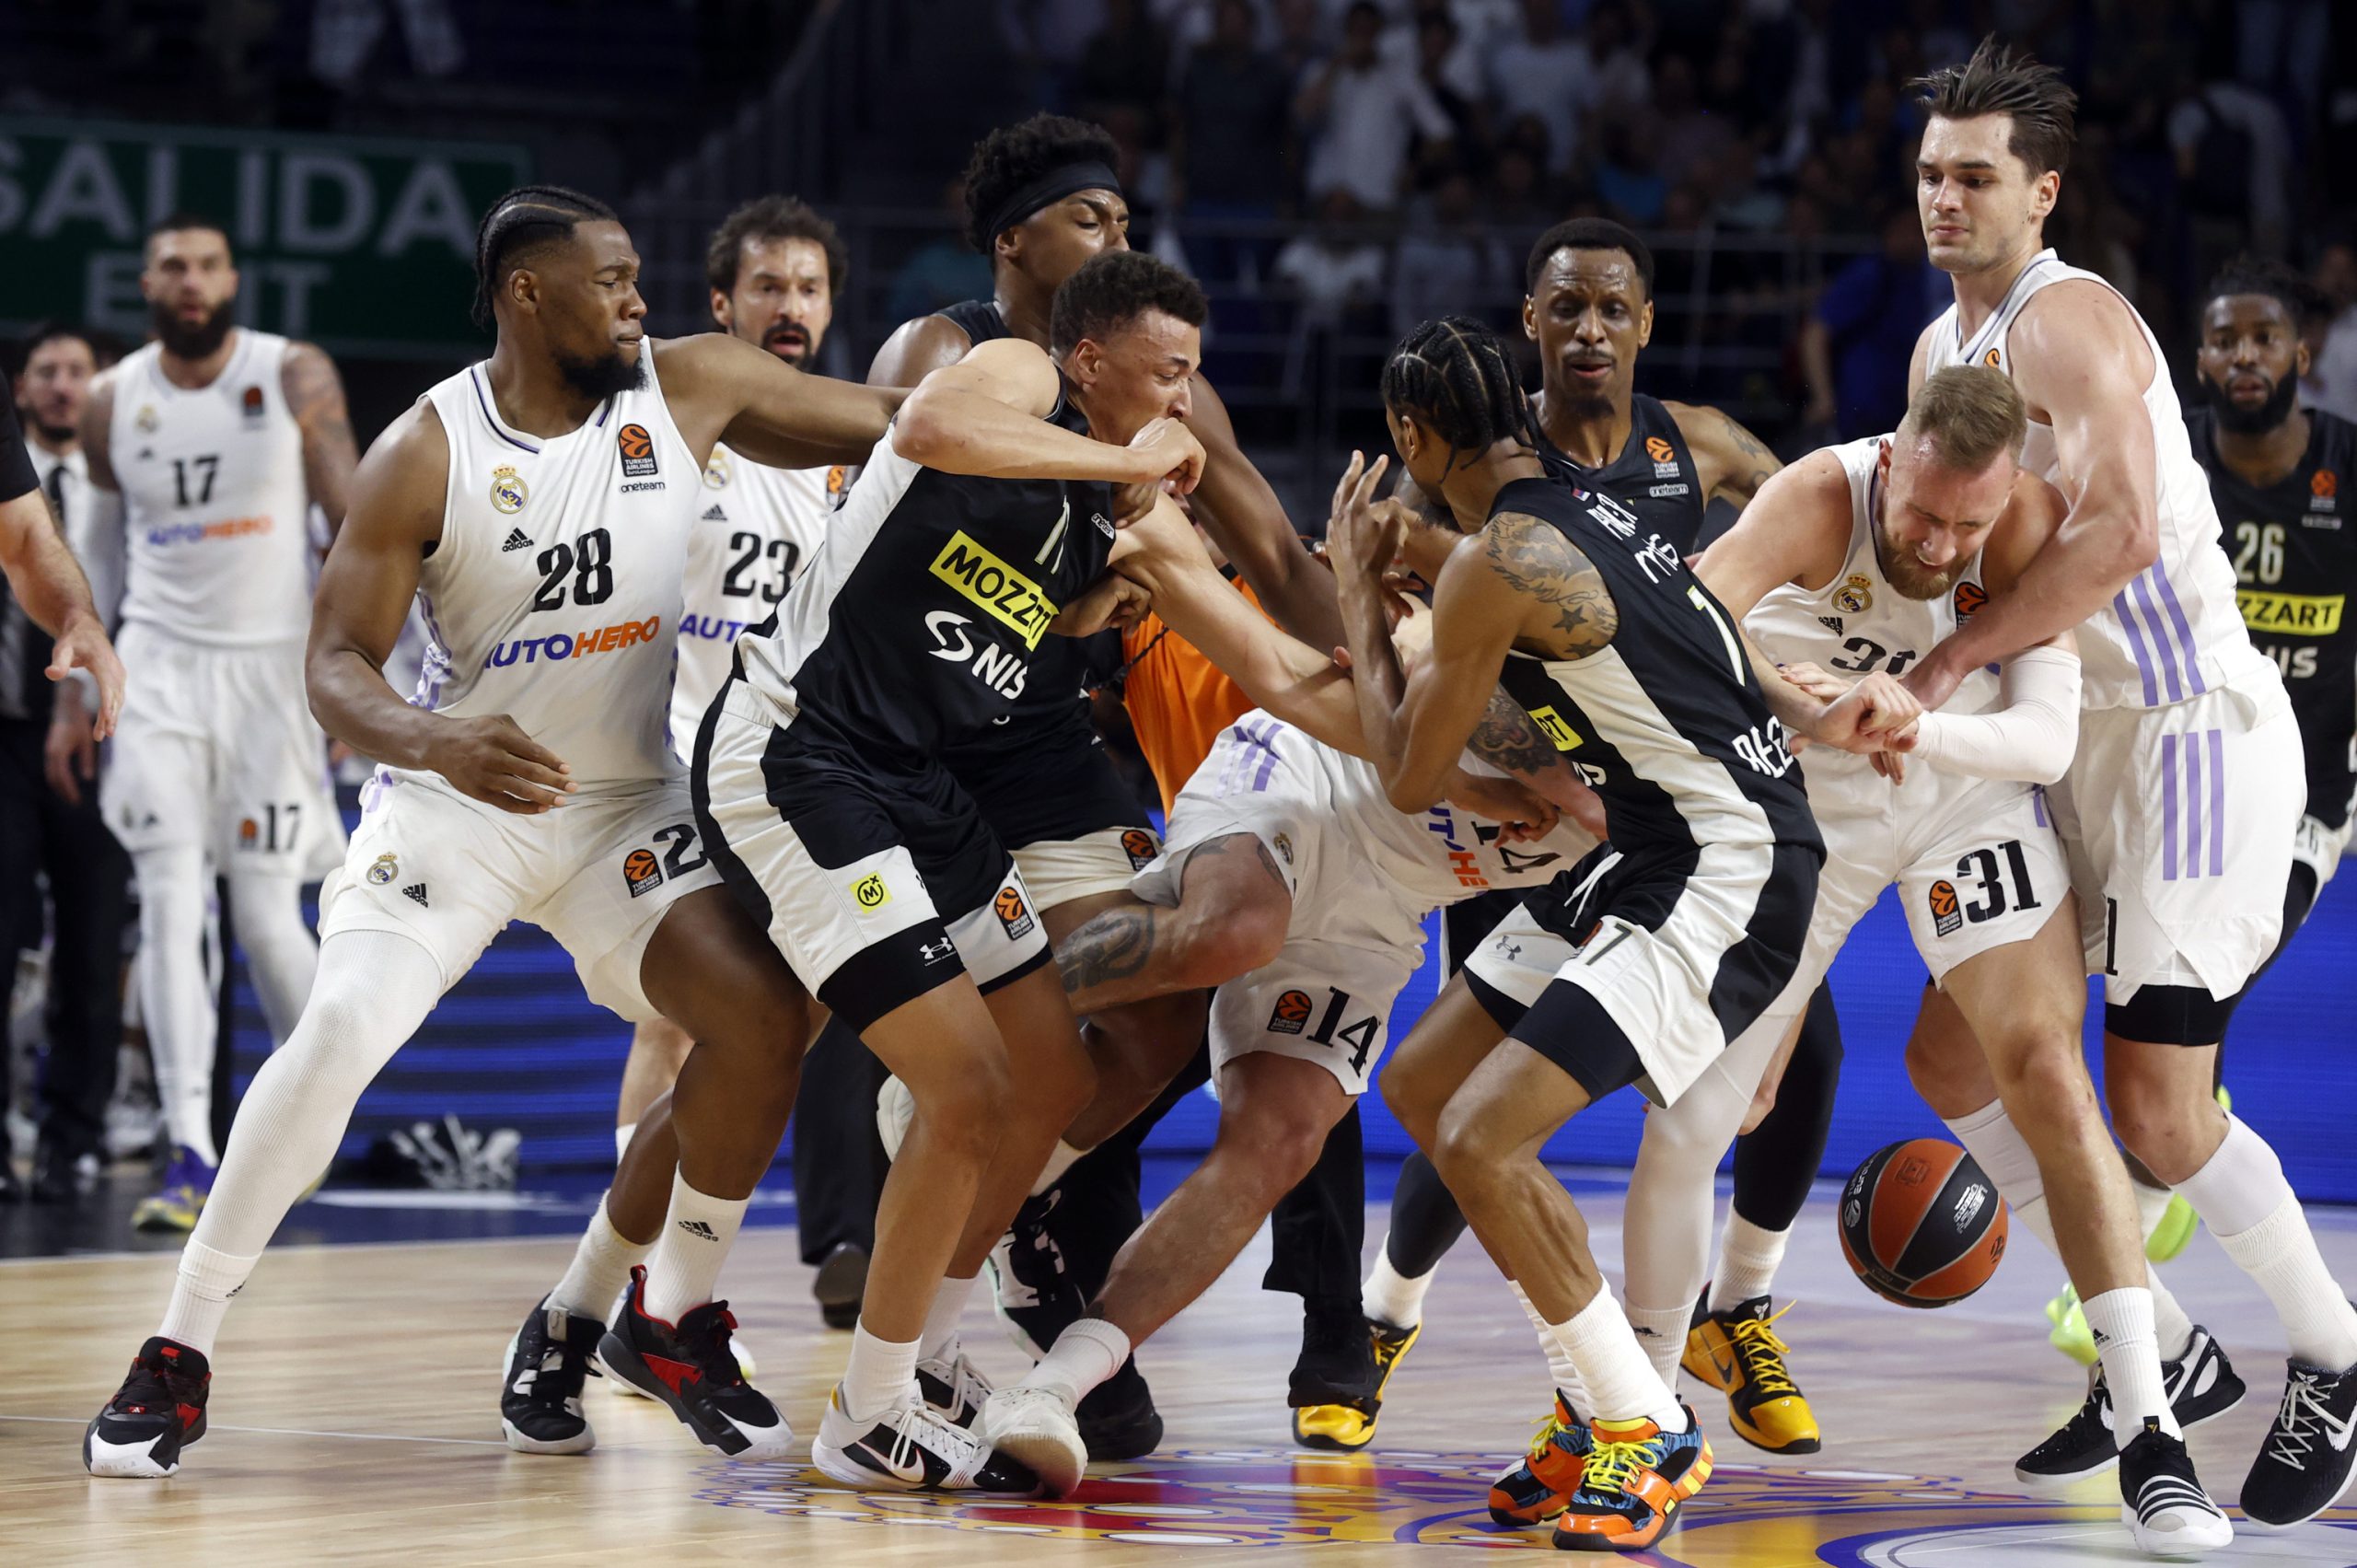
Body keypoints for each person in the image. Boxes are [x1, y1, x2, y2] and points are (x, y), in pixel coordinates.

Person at [82, 184, 902, 1481]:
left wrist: (1045, 403)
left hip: (624, 804)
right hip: (459, 798)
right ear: (532, 293)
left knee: (764, 1011)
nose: (640, 298)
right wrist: (430, 735)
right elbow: (335, 662)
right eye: (615, 278)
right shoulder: (428, 445)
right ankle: (178, 1344)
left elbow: (893, 421)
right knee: (342, 1028)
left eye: (641, 277)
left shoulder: (683, 387)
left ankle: (662, 1311)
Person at [1329, 319, 1888, 1551]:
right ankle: (1594, 1407)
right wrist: (1407, 553)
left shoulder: (1493, 565)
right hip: (1658, 840)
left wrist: (1353, 597)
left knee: (1484, 1131)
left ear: (1410, 438)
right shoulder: (1586, 501)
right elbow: (1496, 569)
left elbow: (1408, 772)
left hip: (1722, 861)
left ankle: (1645, 1420)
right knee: (1426, 1086)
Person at [1898, 39, 2357, 1535]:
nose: (1945, 198)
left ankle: (2338, 1355)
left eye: (1975, 176)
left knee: (2160, 1107)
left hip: (2187, 731)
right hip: (2060, 731)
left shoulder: (2071, 321)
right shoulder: (1934, 354)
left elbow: (2120, 539)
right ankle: (2160, 1338)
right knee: (1955, 1059)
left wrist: (1946, 659)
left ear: (2041, 193)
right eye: (1928, 174)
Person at [1666, 366, 2233, 1552]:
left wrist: (1913, 718)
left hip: (1954, 788)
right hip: (1799, 797)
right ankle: (1640, 1398)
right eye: (1921, 516)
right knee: (1717, 1098)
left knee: (2044, 1068)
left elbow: (2043, 732)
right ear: (1892, 459)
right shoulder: (1818, 497)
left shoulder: (2026, 527)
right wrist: (1798, 699)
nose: (1938, 543)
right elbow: (1675, 635)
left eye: (1965, 524)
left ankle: (2150, 1428)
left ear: (2007, 491)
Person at [865, 112, 1353, 1460]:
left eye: (1127, 220)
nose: (1118, 237)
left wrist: (1357, 663)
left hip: (1041, 735)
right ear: (1015, 241)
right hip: (904, 723)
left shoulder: (1171, 381)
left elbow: (1264, 533)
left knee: (1164, 1003)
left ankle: (1006, 1208)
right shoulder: (951, 354)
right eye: (1090, 218)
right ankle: (646, 1296)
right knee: (760, 1018)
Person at [699, 248, 1212, 1492]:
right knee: (972, 1087)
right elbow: (929, 421)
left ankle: (922, 1356)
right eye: (1167, 375)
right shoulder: (1018, 371)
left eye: (1195, 378)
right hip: (800, 752)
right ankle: (865, 1409)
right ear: (1094, 363)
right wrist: (1124, 459)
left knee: (1046, 1075)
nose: (1184, 403)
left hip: (921, 783)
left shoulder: (1108, 502)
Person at [603, 193, 877, 1336]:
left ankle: (666, 1284)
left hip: (780, 773)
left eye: (809, 289)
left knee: (790, 1020)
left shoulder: (841, 458)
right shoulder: (681, 421)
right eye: (768, 287)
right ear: (721, 306)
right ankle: (633, 1281)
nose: (791, 308)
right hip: (672, 758)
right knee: (677, 1018)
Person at [67, 215, 357, 1232]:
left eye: (206, 265)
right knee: (168, 895)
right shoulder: (112, 400)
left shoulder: (291, 373)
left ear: (234, 277)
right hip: (156, 672)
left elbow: (355, 528)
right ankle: (189, 1144)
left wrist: (354, 676)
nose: (190, 282)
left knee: (268, 915)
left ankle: (313, 1116)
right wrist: (79, 688)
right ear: (143, 282)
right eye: (171, 267)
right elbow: (96, 558)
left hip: (271, 672)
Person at [2, 324, 133, 1203]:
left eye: (77, 372)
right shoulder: (18, 485)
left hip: (105, 728)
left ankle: (75, 1139)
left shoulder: (131, 484)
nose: (60, 387)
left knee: (93, 943)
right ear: (21, 389)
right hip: (4, 728)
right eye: (44, 371)